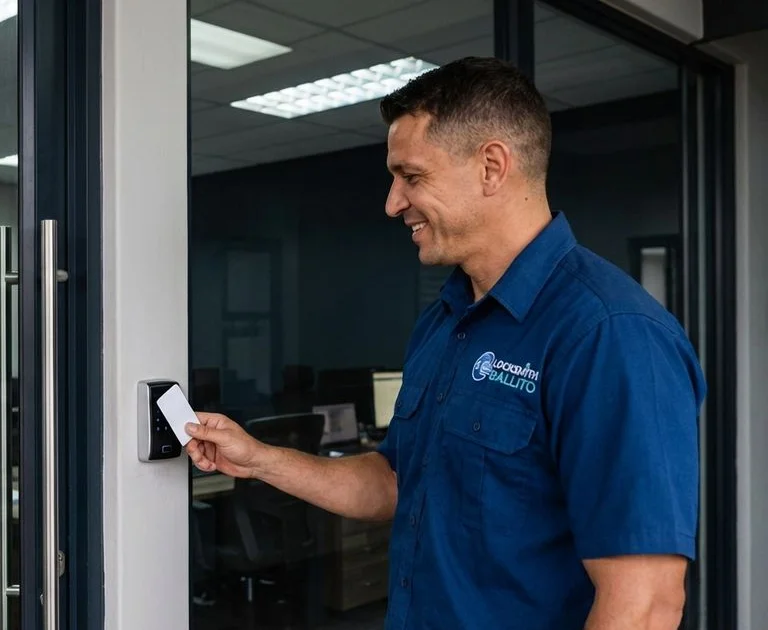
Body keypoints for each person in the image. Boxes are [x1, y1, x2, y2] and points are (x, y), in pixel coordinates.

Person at [184, 56, 705, 630]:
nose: (392, 202)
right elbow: (394, 481)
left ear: (491, 167)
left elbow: (646, 605)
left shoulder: (610, 334)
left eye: (412, 176)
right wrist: (260, 460)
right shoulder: (446, 320)